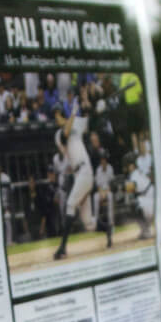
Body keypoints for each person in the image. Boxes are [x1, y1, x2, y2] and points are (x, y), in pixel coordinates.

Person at [51, 92, 94, 259]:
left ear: (62, 113)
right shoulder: (58, 135)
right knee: (89, 224)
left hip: (86, 170)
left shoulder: (75, 122)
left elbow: (89, 120)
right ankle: (108, 229)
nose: (56, 118)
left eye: (57, 114)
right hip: (79, 174)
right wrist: (74, 113)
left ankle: (62, 248)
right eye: (55, 115)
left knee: (70, 205)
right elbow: (66, 133)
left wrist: (93, 106)